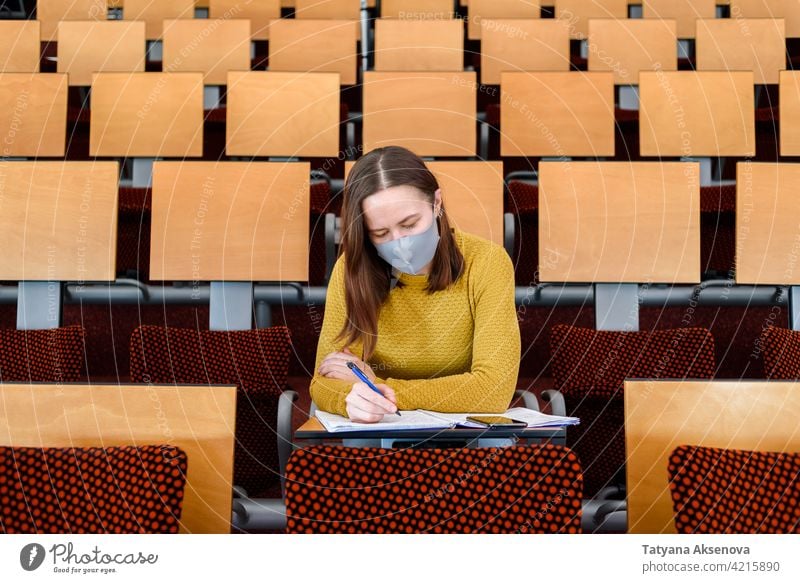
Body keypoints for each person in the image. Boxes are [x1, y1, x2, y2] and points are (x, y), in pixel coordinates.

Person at [309, 146, 520, 423]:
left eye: (409, 224)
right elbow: (325, 380)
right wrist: (349, 400)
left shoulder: (487, 262)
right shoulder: (351, 269)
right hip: (376, 436)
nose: (400, 244)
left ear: (436, 204)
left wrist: (380, 387)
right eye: (381, 233)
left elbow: (493, 389)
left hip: (469, 438)